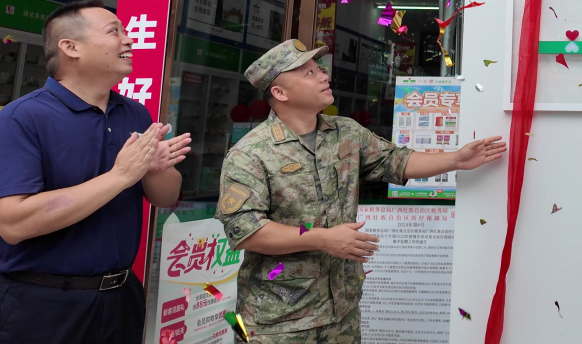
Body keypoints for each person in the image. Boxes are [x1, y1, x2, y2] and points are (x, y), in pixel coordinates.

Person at [217, 39, 507, 344]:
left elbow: (394, 161)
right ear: (280, 93)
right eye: (308, 73)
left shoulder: (345, 132)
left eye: (319, 69)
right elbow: (247, 232)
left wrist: (456, 159)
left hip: (342, 314)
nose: (323, 76)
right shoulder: (250, 153)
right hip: (277, 323)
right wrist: (322, 238)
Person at [0, 0, 192, 344]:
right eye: (113, 31)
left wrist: (152, 171)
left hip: (121, 299)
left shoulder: (135, 114)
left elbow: (165, 197)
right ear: (71, 47)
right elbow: (13, 224)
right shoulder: (22, 118)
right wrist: (119, 176)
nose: (128, 39)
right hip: (42, 306)